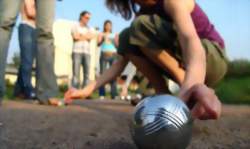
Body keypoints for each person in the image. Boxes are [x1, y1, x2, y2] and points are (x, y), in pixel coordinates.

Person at [65, 0, 228, 120]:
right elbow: (120, 63)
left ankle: (188, 91)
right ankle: (164, 96)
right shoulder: (142, 14)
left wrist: (194, 84)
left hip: (211, 58)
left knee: (139, 26)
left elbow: (189, 40)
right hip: (186, 63)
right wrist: (85, 91)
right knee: (126, 37)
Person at [0, 0, 59, 105]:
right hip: (26, 26)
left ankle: (46, 93)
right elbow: (30, 12)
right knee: (4, 21)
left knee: (46, 32)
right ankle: (24, 89)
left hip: (33, 27)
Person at [13, 0, 37, 99]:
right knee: (27, 60)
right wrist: (43, 15)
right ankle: (28, 88)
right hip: (26, 26)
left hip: (34, 29)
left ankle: (18, 91)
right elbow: (30, 12)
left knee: (27, 61)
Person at [71, 11, 96, 89]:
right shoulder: (75, 26)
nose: (87, 19)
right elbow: (75, 37)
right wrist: (85, 36)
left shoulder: (90, 28)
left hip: (87, 53)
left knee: (87, 74)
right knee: (75, 73)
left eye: (89, 18)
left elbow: (91, 36)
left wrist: (81, 36)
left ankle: (85, 93)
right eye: (86, 17)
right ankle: (74, 92)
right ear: (81, 17)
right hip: (76, 52)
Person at [98, 20, 119, 99]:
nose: (108, 27)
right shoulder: (101, 34)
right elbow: (98, 44)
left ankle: (114, 94)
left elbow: (117, 46)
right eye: (107, 25)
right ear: (104, 26)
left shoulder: (115, 34)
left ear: (111, 26)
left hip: (113, 55)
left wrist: (113, 41)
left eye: (109, 25)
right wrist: (103, 38)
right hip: (104, 55)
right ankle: (102, 94)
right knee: (103, 74)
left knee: (113, 74)